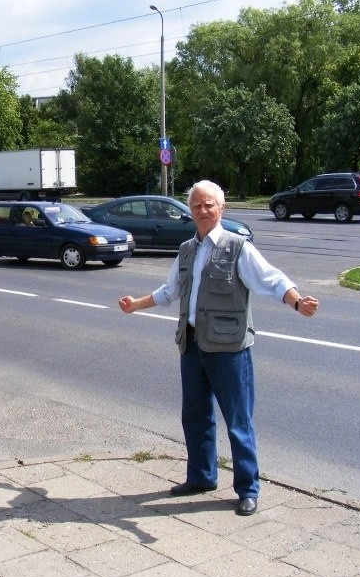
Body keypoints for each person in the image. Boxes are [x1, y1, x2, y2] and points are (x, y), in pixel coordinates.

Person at [118, 180, 319, 516]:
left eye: (209, 204)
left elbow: (272, 280)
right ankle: (201, 477)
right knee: (195, 417)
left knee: (238, 421)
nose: (203, 210)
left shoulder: (238, 247)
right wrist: (134, 304)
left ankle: (248, 489)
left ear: (221, 208)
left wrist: (298, 302)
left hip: (230, 349)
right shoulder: (186, 250)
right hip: (192, 344)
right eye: (196, 206)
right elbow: (170, 292)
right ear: (190, 212)